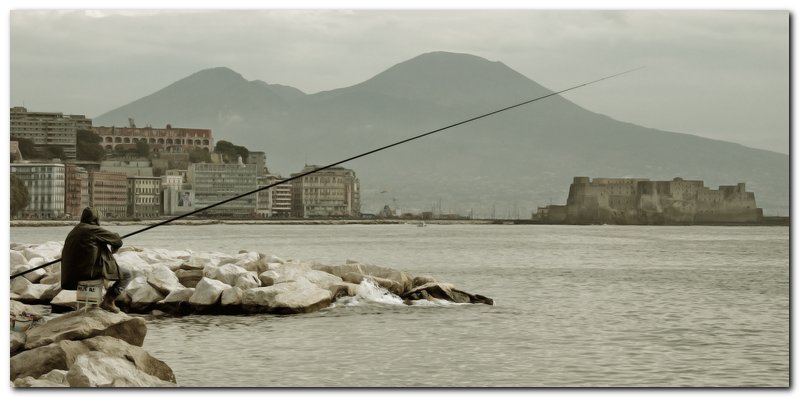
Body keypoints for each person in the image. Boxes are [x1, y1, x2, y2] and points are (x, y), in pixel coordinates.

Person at [61, 207, 131, 313]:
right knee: (126, 274)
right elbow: (117, 240)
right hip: (88, 273)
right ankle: (108, 301)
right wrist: (115, 246)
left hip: (70, 277)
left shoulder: (74, 231)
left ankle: (92, 306)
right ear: (95, 219)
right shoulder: (92, 229)